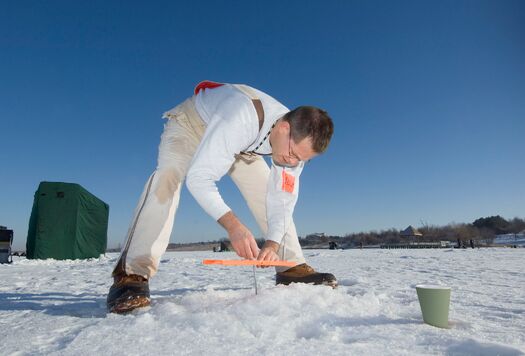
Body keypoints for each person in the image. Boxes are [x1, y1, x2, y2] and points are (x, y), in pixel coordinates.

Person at [107, 81, 337, 314]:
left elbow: (282, 201)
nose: (293, 162)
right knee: (168, 178)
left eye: (302, 160)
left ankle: (291, 267)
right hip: (193, 126)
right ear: (284, 128)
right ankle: (132, 275)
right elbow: (199, 179)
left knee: (265, 191)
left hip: (245, 147)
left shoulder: (294, 150)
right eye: (292, 154)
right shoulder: (240, 117)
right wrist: (233, 226)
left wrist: (272, 243)